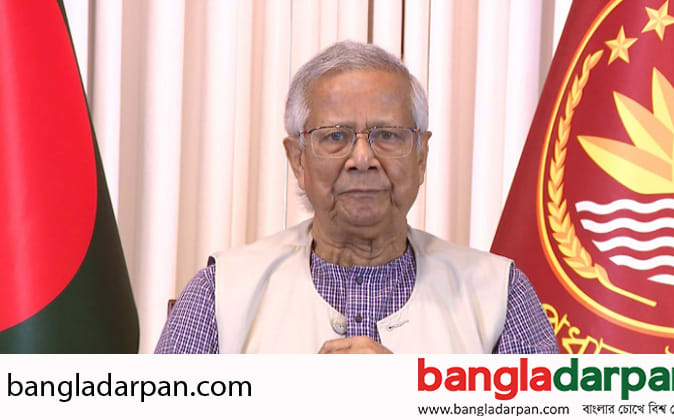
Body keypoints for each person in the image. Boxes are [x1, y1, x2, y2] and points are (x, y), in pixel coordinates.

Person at [155, 40, 558, 354]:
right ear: (298, 160)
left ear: (421, 156)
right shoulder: (219, 293)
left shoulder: (500, 295)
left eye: (388, 135)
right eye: (335, 136)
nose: (362, 159)